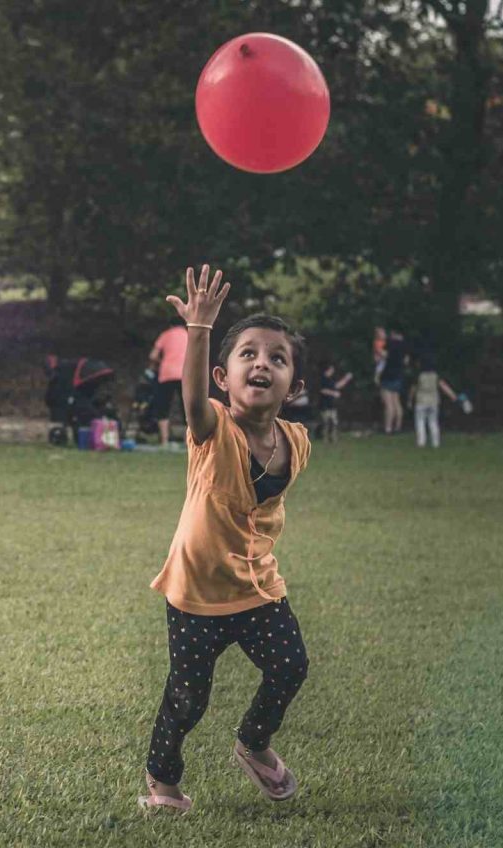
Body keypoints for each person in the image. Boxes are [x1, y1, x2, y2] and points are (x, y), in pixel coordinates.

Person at [140, 265, 312, 813]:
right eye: (249, 355)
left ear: (296, 386)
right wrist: (199, 328)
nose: (262, 363)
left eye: (277, 358)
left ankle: (254, 743)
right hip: (197, 595)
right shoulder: (212, 429)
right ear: (222, 377)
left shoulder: (297, 441)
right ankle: (164, 786)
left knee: (291, 666)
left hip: (258, 587)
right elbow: (190, 404)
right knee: (188, 699)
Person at [148, 318, 189, 448]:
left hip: (166, 374)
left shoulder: (165, 335)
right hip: (185, 374)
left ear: (171, 325)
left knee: (163, 407)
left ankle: (164, 441)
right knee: (186, 409)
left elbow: (153, 356)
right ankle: (188, 442)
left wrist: (161, 362)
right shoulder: (189, 335)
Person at [408, 353, 458, 448]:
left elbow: (413, 389)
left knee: (420, 421)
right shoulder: (436, 375)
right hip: (434, 401)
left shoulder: (419, 375)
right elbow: (444, 386)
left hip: (421, 401)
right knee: (433, 421)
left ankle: (421, 442)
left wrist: (410, 400)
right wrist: (453, 396)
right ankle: (436, 442)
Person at [379, 329, 407, 434]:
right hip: (399, 375)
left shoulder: (390, 343)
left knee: (388, 404)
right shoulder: (404, 345)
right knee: (397, 402)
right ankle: (398, 426)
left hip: (388, 375)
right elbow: (406, 360)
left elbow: (383, 354)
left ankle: (388, 427)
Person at [318, 360, 353, 443]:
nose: (333, 371)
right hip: (324, 405)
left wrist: (346, 379)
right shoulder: (323, 379)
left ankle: (334, 438)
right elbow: (323, 390)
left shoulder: (330, 379)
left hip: (331, 405)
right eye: (331, 369)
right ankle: (325, 439)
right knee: (326, 423)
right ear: (327, 370)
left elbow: (337, 386)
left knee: (334, 422)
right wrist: (334, 393)